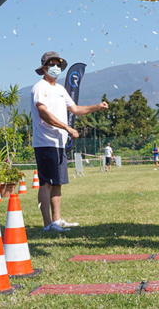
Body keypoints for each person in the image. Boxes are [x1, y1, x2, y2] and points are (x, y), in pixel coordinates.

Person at [31, 51, 108, 232]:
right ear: (44, 68)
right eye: (52, 64)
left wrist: (97, 107)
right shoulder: (40, 87)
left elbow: (75, 109)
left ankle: (57, 221)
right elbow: (43, 113)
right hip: (45, 143)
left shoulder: (60, 89)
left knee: (57, 183)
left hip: (59, 143)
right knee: (46, 183)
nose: (56, 67)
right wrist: (67, 128)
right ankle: (47, 224)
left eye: (58, 64)